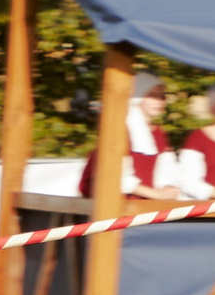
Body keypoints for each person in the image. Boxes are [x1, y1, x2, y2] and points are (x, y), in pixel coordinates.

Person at [77, 71, 184, 201]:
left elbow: (165, 170)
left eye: (162, 96)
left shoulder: (159, 133)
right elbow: (115, 176)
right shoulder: (119, 130)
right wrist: (155, 194)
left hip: (145, 205)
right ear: (138, 96)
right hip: (113, 204)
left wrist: (167, 188)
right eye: (153, 95)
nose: (160, 101)